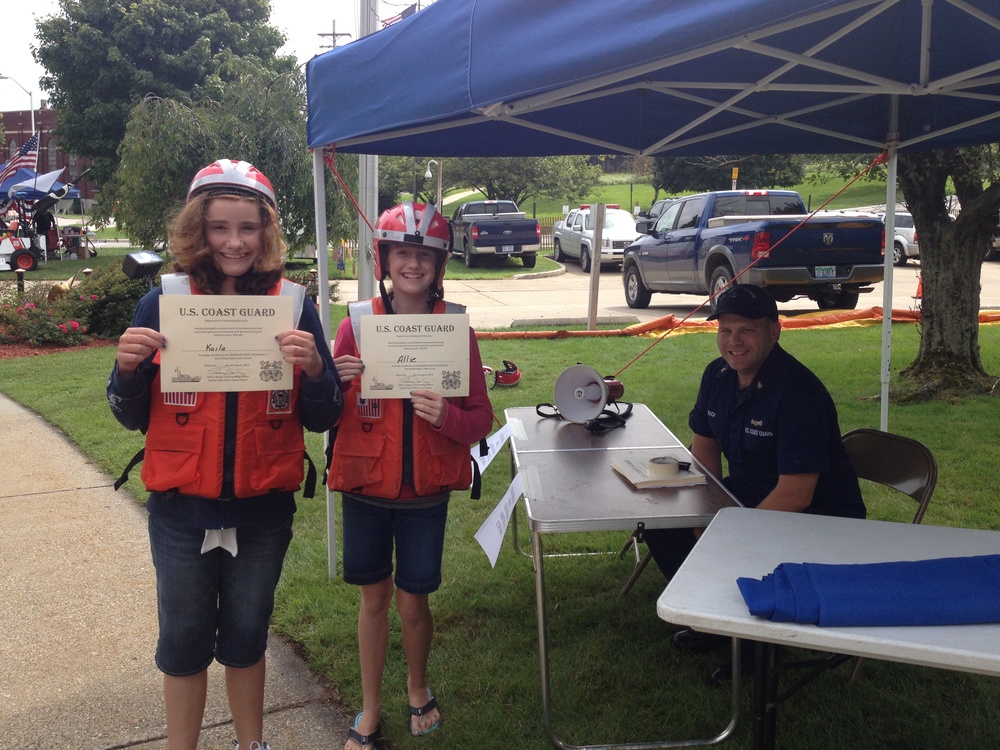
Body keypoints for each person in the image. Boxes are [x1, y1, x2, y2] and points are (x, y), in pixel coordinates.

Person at [107, 159, 343, 750]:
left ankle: (251, 744)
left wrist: (315, 368)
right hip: (181, 510)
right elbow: (132, 415)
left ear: (267, 232)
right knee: (183, 640)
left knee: (246, 634)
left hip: (262, 508)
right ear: (197, 228)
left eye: (248, 227)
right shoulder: (161, 303)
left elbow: (325, 414)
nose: (234, 242)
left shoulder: (294, 303)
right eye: (219, 227)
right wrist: (127, 369)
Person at [328, 201, 494, 750]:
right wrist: (337, 380)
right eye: (403, 253)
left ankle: (417, 686)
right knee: (373, 599)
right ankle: (370, 709)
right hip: (366, 488)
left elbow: (480, 418)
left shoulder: (454, 330)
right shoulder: (355, 326)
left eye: (425, 255)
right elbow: (321, 410)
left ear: (440, 264)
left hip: (424, 491)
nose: (414, 264)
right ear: (385, 258)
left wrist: (448, 417)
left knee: (412, 601)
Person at [644, 284, 865, 682]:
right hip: (748, 498)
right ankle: (714, 620)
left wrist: (729, 530)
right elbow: (705, 450)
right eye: (725, 331)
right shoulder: (718, 375)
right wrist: (706, 509)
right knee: (664, 523)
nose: (733, 342)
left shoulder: (800, 393)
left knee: (729, 543)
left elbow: (797, 494)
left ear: (774, 332)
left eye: (746, 330)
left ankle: (755, 649)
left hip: (817, 517)